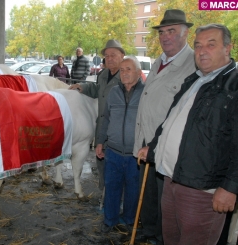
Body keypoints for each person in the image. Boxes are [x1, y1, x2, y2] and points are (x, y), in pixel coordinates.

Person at [138, 23, 238, 244]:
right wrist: (153, 148)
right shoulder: (195, 80)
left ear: (228, 47)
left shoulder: (233, 84)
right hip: (171, 180)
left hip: (202, 189)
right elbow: (170, 122)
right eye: (198, 45)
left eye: (211, 45)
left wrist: (231, 187)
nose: (202, 51)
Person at [133, 9, 196, 245]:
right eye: (162, 32)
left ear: (185, 33)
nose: (165, 36)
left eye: (171, 31)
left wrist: (155, 143)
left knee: (165, 200)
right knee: (147, 195)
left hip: (167, 147)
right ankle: (149, 233)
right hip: (145, 142)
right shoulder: (160, 59)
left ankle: (161, 238)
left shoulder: (192, 63)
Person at [69, 40, 125, 191]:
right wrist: (83, 86)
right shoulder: (103, 74)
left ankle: (117, 202)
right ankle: (105, 197)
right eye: (107, 56)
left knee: (118, 169)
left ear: (122, 55)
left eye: (113, 55)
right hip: (102, 127)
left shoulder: (127, 76)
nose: (109, 58)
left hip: (119, 131)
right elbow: (98, 89)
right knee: (102, 165)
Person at [96, 56, 144, 233]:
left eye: (128, 69)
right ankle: (110, 220)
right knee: (112, 188)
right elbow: (106, 119)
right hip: (113, 151)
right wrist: (100, 141)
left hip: (135, 153)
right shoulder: (114, 92)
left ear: (138, 73)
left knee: (133, 190)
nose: (124, 73)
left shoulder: (146, 93)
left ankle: (129, 220)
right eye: (122, 70)